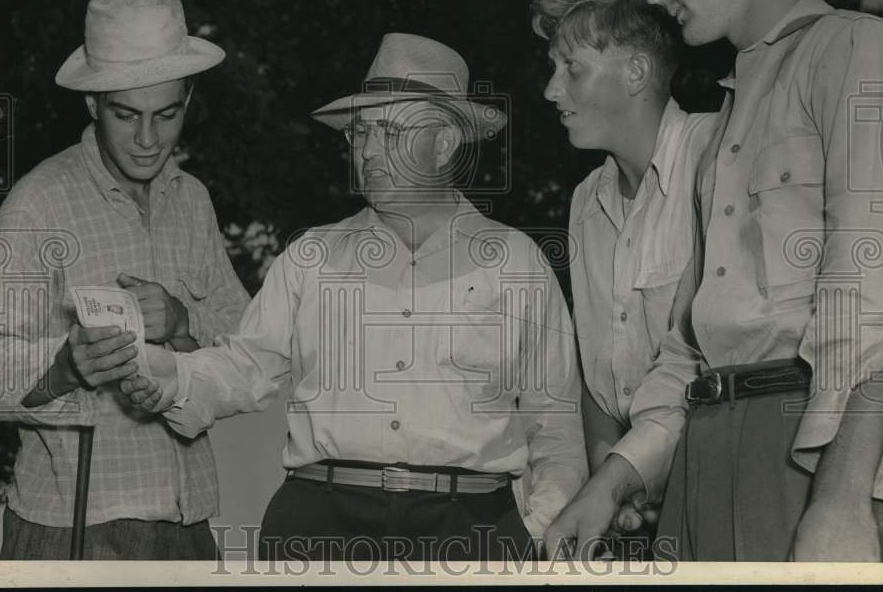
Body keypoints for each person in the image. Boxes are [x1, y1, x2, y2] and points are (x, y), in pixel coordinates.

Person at [544, 0, 883, 562]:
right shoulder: (732, 116)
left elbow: (880, 297)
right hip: (708, 446)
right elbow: (688, 340)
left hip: (808, 447)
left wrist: (839, 501)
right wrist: (610, 483)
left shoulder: (861, 52)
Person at [121, 32, 588, 562]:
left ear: (445, 142)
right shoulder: (311, 256)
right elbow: (242, 366)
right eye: (359, 134)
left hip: (473, 529)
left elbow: (556, 419)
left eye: (388, 131)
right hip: (319, 528)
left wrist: (534, 527)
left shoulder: (514, 260)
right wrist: (170, 377)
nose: (366, 151)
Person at [0, 0, 251, 559]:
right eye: (126, 115)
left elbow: (251, 345)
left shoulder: (192, 198)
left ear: (189, 100)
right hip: (73, 527)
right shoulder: (39, 201)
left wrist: (179, 320)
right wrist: (65, 366)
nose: (148, 139)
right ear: (92, 102)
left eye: (166, 115)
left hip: (188, 522)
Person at [532, 0, 715, 556]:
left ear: (636, 71)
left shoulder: (716, 159)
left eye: (572, 69)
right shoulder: (587, 200)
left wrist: (614, 481)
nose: (551, 90)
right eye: (554, 69)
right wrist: (608, 481)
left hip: (718, 481)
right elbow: (597, 372)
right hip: (631, 501)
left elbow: (705, 360)